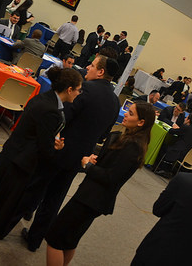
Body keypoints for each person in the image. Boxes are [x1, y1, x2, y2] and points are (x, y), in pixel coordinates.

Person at [0, 67, 83, 266]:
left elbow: (34, 135)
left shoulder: (44, 99)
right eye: (78, 89)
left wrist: (51, 142)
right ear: (68, 89)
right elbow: (45, 149)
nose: (79, 93)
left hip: (12, 159)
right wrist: (56, 148)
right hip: (17, 167)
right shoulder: (52, 111)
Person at [19, 56, 120, 252]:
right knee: (54, 199)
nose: (88, 68)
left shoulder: (86, 89)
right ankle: (34, 239)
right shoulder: (115, 101)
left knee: (36, 186)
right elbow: (105, 133)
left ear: (100, 72)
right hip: (80, 156)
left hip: (60, 147)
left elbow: (64, 115)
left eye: (92, 65)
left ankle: (11, 219)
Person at [46, 101, 155, 266]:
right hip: (91, 197)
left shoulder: (133, 146)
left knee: (54, 238)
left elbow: (111, 178)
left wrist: (88, 165)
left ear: (141, 122)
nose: (125, 114)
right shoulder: (128, 139)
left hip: (91, 199)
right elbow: (112, 166)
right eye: (128, 110)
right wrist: (96, 161)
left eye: (131, 113)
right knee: (69, 241)